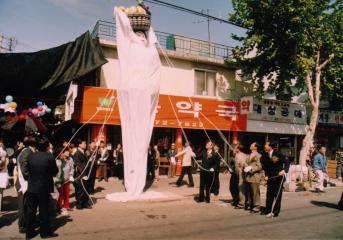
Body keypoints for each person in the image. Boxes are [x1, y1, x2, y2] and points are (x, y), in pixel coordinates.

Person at [23, 137, 58, 239]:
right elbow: (55, 171)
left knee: (31, 211)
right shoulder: (50, 157)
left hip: (32, 187)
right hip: (44, 188)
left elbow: (27, 170)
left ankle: (29, 233)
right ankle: (44, 233)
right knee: (44, 211)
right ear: (47, 146)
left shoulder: (30, 156)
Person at [14, 136, 36, 234]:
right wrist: (29, 177)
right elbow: (24, 167)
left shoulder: (25, 151)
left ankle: (25, 223)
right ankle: (22, 225)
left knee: (25, 204)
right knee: (23, 205)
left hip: (23, 181)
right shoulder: (27, 152)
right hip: (24, 182)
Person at [262, 141, 286, 218]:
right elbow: (265, 167)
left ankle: (275, 211)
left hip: (279, 178)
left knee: (277, 195)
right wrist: (265, 175)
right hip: (270, 178)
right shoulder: (265, 155)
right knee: (269, 195)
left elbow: (287, 162)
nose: (265, 146)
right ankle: (268, 210)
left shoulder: (278, 154)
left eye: (266, 145)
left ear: (270, 146)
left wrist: (284, 170)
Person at [73, 139, 92, 210]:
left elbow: (88, 158)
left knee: (86, 188)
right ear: (79, 145)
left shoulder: (85, 152)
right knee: (80, 189)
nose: (85, 144)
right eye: (84, 143)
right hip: (80, 174)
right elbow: (78, 165)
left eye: (85, 143)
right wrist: (83, 174)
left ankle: (85, 203)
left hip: (86, 173)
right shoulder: (77, 153)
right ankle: (79, 204)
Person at [54, 148, 74, 216]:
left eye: (68, 151)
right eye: (65, 152)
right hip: (60, 180)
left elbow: (72, 168)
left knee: (67, 194)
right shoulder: (59, 160)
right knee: (60, 195)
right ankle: (58, 208)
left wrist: (71, 175)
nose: (68, 153)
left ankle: (66, 206)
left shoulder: (70, 159)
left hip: (67, 179)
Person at [244, 142, 262, 213]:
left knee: (255, 192)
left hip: (255, 176)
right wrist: (245, 167)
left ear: (256, 147)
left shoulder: (259, 156)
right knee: (249, 192)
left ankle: (257, 206)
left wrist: (252, 169)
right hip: (248, 176)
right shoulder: (249, 155)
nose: (250, 145)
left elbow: (259, 166)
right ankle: (250, 204)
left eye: (252, 145)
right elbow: (246, 163)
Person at [232, 144, 248, 209]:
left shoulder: (238, 156)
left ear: (238, 149)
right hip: (245, 173)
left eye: (235, 148)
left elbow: (237, 167)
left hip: (241, 173)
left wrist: (237, 174)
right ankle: (245, 201)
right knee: (245, 188)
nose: (234, 149)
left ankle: (241, 203)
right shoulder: (245, 155)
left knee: (241, 188)